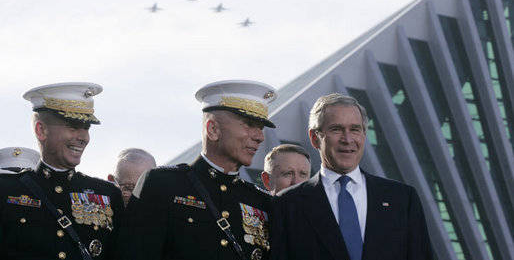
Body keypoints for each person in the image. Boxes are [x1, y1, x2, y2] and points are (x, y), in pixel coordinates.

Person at [120, 80, 277, 260]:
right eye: (249, 124)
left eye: (261, 128)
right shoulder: (162, 185)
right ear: (213, 129)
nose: (260, 137)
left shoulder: (261, 202)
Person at [271, 93, 433, 260]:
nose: (347, 139)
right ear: (314, 138)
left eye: (355, 129)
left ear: (364, 135)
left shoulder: (402, 199)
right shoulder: (286, 204)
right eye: (336, 129)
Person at [0, 82, 124, 260]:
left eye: (86, 128)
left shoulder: (108, 195)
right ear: (41, 130)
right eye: (73, 127)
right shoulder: (6, 191)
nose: (83, 137)